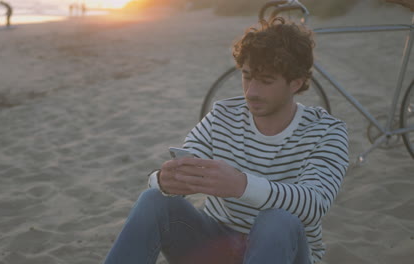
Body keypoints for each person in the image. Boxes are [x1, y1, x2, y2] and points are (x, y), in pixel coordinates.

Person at [104, 17, 349, 264]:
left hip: (282, 250)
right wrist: (162, 180)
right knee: (154, 199)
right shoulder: (223, 115)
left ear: (295, 83)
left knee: (277, 219)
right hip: (217, 245)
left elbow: (315, 204)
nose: (251, 91)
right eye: (247, 76)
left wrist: (241, 185)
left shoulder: (327, 131)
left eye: (266, 81)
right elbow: (184, 163)